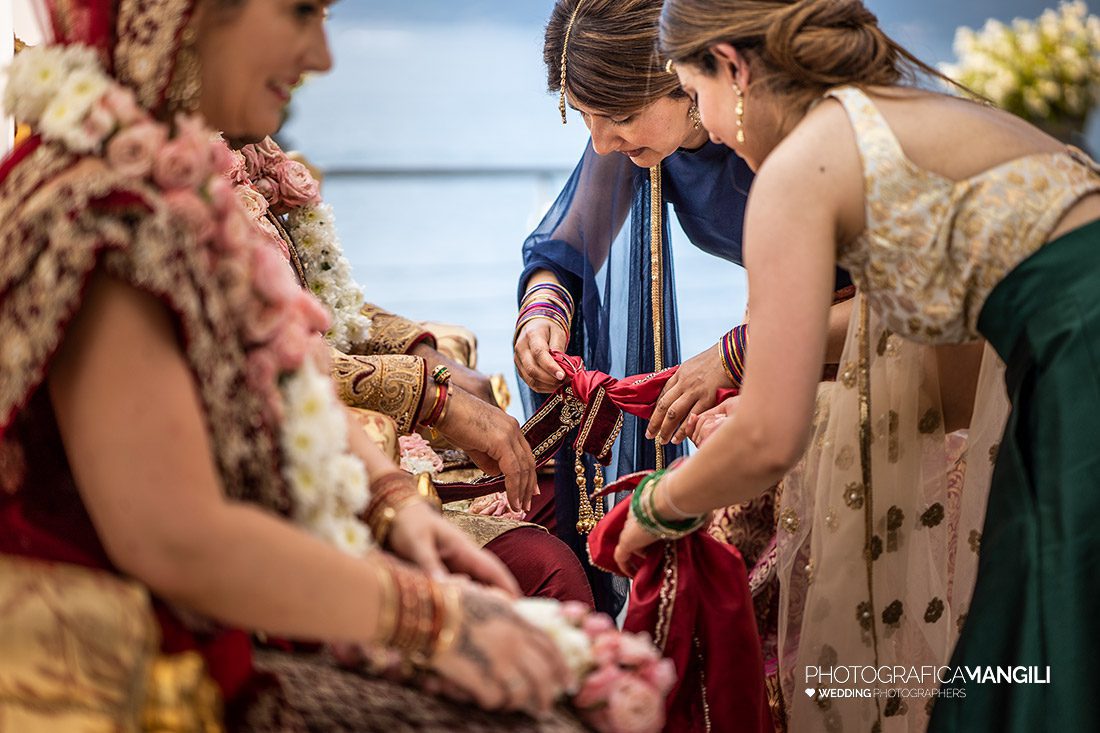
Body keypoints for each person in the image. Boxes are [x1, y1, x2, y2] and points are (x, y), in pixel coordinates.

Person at [0, 0, 581, 730]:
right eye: (301, 13)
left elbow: (279, 365)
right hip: (124, 681)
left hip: (213, 638)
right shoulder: (103, 217)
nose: (322, 57)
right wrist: (434, 620)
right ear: (189, 18)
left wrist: (392, 500)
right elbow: (176, 541)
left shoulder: (167, 184)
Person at [624, 1, 1100, 731]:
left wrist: (657, 505)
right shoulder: (898, 114)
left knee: (1049, 655)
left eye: (695, 96)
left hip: (1082, 363)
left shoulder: (800, 169)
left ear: (733, 67)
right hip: (1062, 363)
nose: (708, 127)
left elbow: (766, 438)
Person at [515, 0, 858, 621]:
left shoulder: (801, 132)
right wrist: (544, 315)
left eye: (617, 117)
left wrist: (733, 356)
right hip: (790, 353)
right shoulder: (643, 145)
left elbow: (893, 304)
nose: (601, 143)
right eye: (585, 119)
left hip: (874, 354)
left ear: (683, 78)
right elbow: (568, 246)